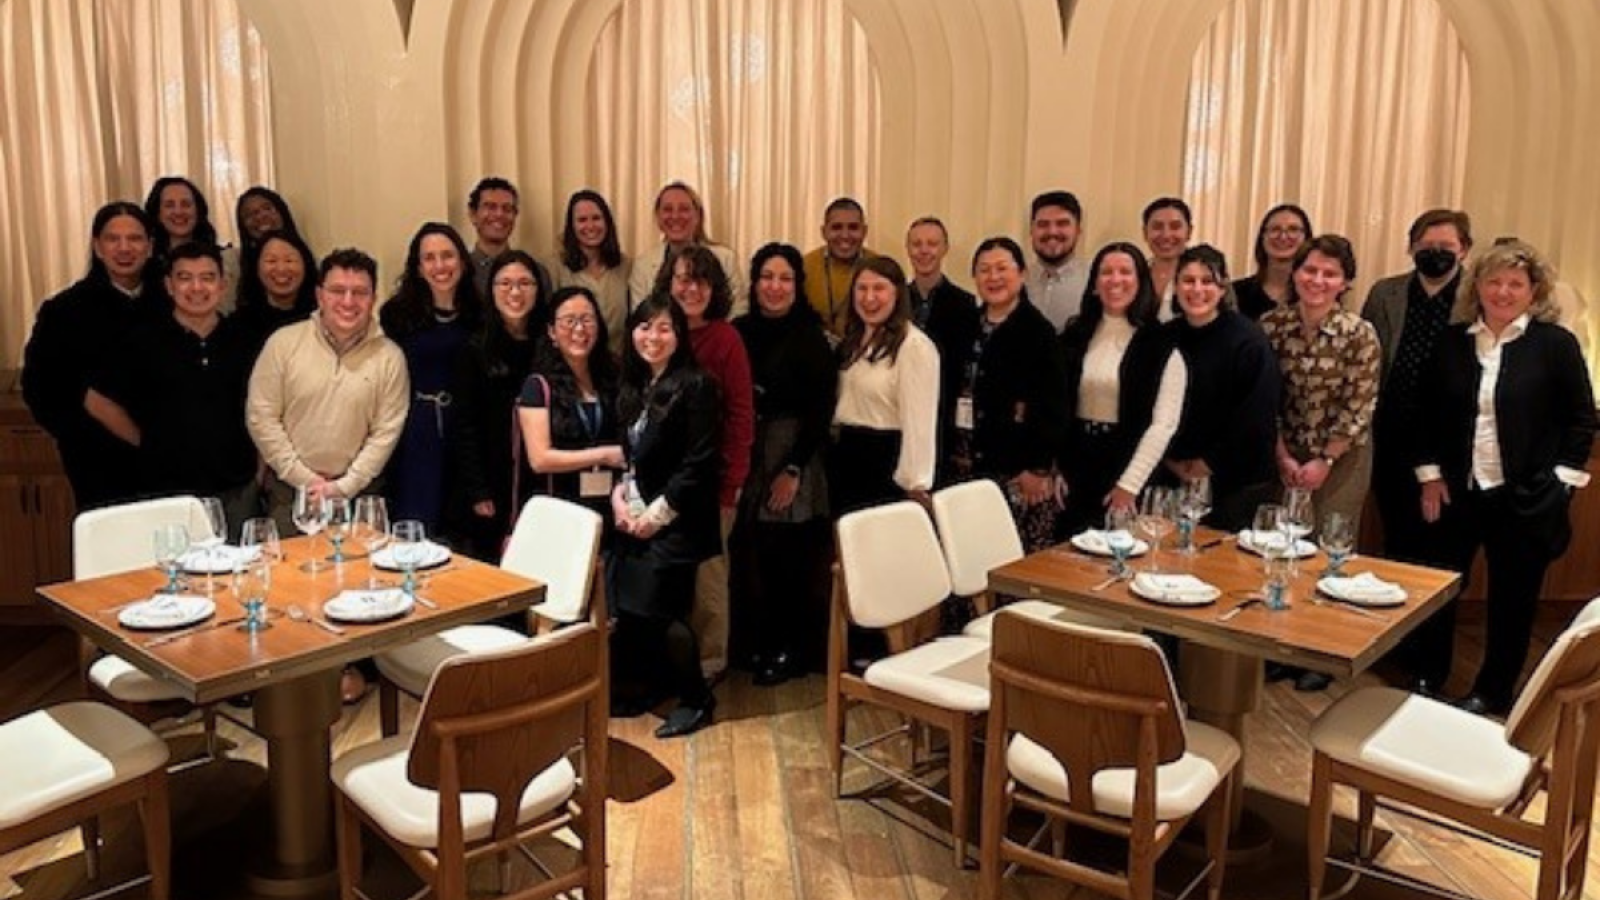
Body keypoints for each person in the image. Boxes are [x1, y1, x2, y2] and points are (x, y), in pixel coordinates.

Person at [1410, 241, 1597, 716]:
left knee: (1513, 600)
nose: (1503, 291)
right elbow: (1424, 412)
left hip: (1525, 495)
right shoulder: (1452, 341)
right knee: (1439, 589)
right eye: (1493, 281)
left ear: (1534, 291)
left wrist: (1561, 482)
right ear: (1478, 287)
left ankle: (1493, 691)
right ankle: (1429, 676)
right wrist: (1430, 475)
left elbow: (1580, 418)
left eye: (1515, 283)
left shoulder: (1554, 345)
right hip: (1457, 491)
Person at [607, 294, 722, 738]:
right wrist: (621, 499)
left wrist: (657, 515)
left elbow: (698, 462)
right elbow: (630, 459)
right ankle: (652, 687)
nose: (652, 337)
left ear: (679, 335)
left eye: (663, 328)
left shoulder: (696, 385)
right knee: (634, 609)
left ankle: (697, 699)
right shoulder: (635, 385)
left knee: (663, 611)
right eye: (643, 326)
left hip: (679, 519)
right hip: (636, 513)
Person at [95, 243, 260, 531]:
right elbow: (98, 399)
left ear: (222, 285)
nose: (197, 287)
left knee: (240, 571)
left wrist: (259, 473)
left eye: (207, 278)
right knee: (172, 572)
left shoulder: (246, 339)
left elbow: (267, 409)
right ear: (169, 286)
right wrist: (147, 443)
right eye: (185, 278)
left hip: (237, 488)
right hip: (165, 490)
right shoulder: (141, 341)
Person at [731, 243, 837, 685]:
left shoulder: (812, 335)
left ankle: (791, 650)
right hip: (747, 449)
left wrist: (792, 470)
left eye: (785, 279)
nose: (775, 287)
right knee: (749, 555)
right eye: (767, 277)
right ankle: (753, 644)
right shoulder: (737, 330)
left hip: (794, 454)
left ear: (797, 286)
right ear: (754, 283)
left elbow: (820, 409)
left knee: (790, 559)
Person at [247, 247, 409, 526]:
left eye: (360, 292)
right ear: (320, 295)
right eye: (337, 290)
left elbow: (386, 431)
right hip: (291, 494)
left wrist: (343, 488)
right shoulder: (282, 344)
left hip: (361, 496)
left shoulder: (390, 356)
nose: (348, 301)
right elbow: (262, 418)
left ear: (373, 299)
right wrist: (307, 481)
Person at [1363, 210, 1474, 606]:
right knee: (1398, 538)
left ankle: (1431, 656)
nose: (1436, 254)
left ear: (1464, 250)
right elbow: (1368, 358)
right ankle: (1396, 641)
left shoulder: (1476, 299)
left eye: (1446, 247)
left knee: (1442, 550)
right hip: (1390, 433)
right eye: (1427, 247)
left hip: (1449, 443)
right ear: (1411, 247)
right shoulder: (1385, 293)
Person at [22, 202, 165, 509]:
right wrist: (81, 437)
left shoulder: (170, 303)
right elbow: (40, 387)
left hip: (168, 457)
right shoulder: (64, 310)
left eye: (135, 239)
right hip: (96, 460)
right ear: (97, 247)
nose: (124, 248)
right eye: (113, 239)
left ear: (150, 247)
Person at [655, 246, 755, 681]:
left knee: (708, 579)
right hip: (660, 482)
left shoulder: (726, 339)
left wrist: (733, 478)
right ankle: (670, 664)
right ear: (668, 283)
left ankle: (709, 666)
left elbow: (741, 412)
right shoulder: (657, 332)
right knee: (666, 577)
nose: (690, 288)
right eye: (682, 279)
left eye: (700, 281)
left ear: (713, 289)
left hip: (712, 482)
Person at [942, 237, 1069, 549]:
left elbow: (1053, 405)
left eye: (1002, 268)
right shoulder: (964, 324)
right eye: (984, 270)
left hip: (1016, 472)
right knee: (964, 561)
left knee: (1008, 561)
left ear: (1022, 274)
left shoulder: (1038, 332)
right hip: (963, 463)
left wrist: (1038, 467)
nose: (993, 277)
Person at [1056, 243, 1187, 538]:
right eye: (1107, 272)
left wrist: (1129, 485)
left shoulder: (1161, 343)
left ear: (1140, 282)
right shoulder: (1074, 336)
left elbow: (1163, 424)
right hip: (1076, 468)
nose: (1116, 280)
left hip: (1129, 468)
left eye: (1126, 272)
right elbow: (1055, 405)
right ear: (1094, 284)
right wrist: (1056, 467)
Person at [1262, 235, 1380, 529]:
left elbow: (1359, 407)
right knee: (1278, 540)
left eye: (1330, 274)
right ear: (1295, 273)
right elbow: (1263, 399)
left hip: (1341, 459)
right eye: (1310, 270)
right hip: (1282, 454)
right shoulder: (1270, 327)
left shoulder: (1360, 334)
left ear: (1345, 283)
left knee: (1328, 543)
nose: (1317, 280)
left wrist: (1325, 460)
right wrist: (1282, 456)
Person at [1164, 245, 1282, 529]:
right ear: (1176, 285)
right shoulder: (1162, 338)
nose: (1197, 289)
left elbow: (1257, 415)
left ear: (1222, 288)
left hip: (1237, 482)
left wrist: (1207, 464)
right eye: (1188, 280)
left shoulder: (1248, 340)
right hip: (1170, 472)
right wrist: (1172, 462)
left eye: (1207, 281)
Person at [380, 222, 482, 531]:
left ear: (462, 262)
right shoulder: (396, 315)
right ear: (418, 267)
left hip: (466, 429)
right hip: (415, 427)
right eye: (430, 258)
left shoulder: (480, 313)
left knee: (463, 524)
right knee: (417, 519)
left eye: (448, 256)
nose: (440, 266)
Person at [448, 251, 550, 559]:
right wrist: (478, 489)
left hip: (540, 473)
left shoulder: (549, 344)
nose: (515, 292)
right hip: (490, 478)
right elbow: (463, 424)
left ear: (538, 289)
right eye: (504, 283)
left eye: (524, 283)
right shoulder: (474, 348)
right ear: (490, 290)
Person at [831, 257, 940, 514]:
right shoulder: (854, 341)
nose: (869, 298)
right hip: (846, 455)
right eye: (862, 288)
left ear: (897, 294)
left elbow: (919, 422)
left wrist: (915, 482)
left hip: (884, 462)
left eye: (878, 289)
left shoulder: (914, 346)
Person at [517, 287, 625, 524]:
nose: (579, 329)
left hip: (612, 507)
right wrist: (604, 455)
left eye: (587, 319)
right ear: (552, 332)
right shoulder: (537, 386)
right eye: (569, 321)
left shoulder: (614, 377)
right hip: (559, 510)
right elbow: (540, 459)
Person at [627, 181, 746, 313]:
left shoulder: (726, 259)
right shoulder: (643, 265)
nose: (675, 216)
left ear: (698, 216)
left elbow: (737, 312)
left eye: (684, 209)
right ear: (658, 218)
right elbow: (640, 317)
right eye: (667, 209)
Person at [551, 189, 632, 358]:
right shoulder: (554, 267)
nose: (590, 226)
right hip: (572, 364)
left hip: (618, 365)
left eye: (596, 218)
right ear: (571, 227)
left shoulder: (627, 266)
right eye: (582, 220)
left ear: (607, 222)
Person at [466, 176, 554, 301]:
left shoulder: (535, 273)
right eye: (490, 207)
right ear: (473, 214)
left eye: (507, 209)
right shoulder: (458, 272)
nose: (499, 214)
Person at [803, 197, 878, 337]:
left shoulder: (879, 267)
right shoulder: (804, 267)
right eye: (836, 227)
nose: (845, 235)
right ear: (824, 231)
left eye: (853, 227)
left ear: (864, 231)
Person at [234, 229, 318, 350]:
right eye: (271, 261)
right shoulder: (239, 325)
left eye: (289, 260)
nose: (281, 269)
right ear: (256, 268)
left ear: (306, 265)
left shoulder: (322, 317)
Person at [1233, 204, 1314, 320]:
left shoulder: (1316, 294)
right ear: (1262, 237)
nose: (1283, 236)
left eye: (1293, 229)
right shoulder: (1236, 293)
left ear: (1307, 238)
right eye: (1275, 229)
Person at [1025, 191, 1090, 331]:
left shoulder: (1094, 282)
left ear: (1078, 230)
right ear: (1031, 230)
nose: (1052, 232)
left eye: (1062, 223)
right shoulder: (1016, 281)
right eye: (1043, 224)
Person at [1142, 197, 1193, 320]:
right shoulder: (1136, 275)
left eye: (1175, 227)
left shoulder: (1208, 276)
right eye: (1157, 227)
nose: (1166, 235)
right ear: (1144, 232)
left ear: (1189, 232)